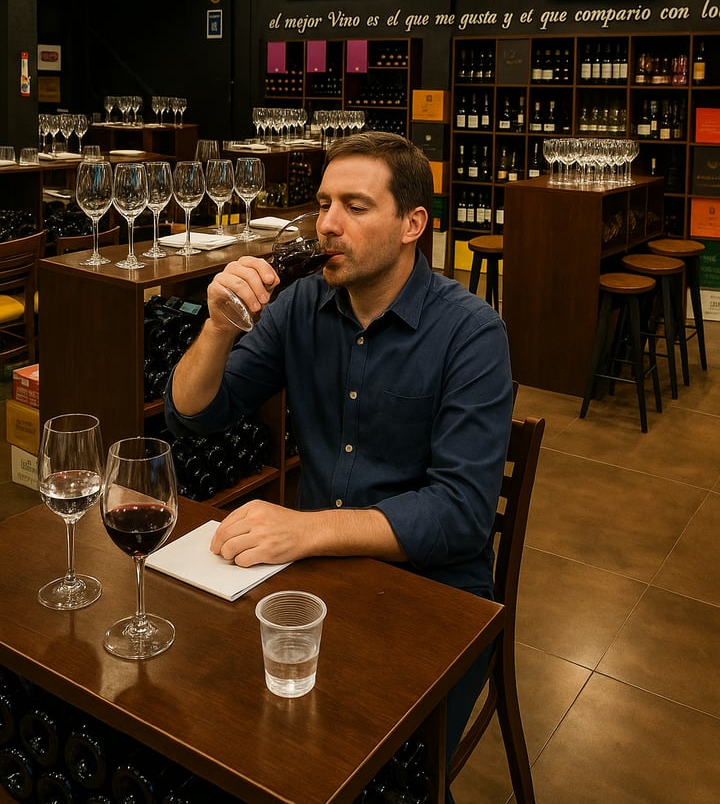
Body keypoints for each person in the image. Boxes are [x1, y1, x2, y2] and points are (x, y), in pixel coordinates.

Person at [165, 130, 513, 791]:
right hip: (317, 578)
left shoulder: (472, 334)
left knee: (363, 771)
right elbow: (197, 414)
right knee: (209, 720)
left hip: (436, 597)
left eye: (355, 205)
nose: (328, 223)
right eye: (324, 203)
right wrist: (217, 325)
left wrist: (305, 528)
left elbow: (461, 515)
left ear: (413, 224)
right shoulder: (301, 305)